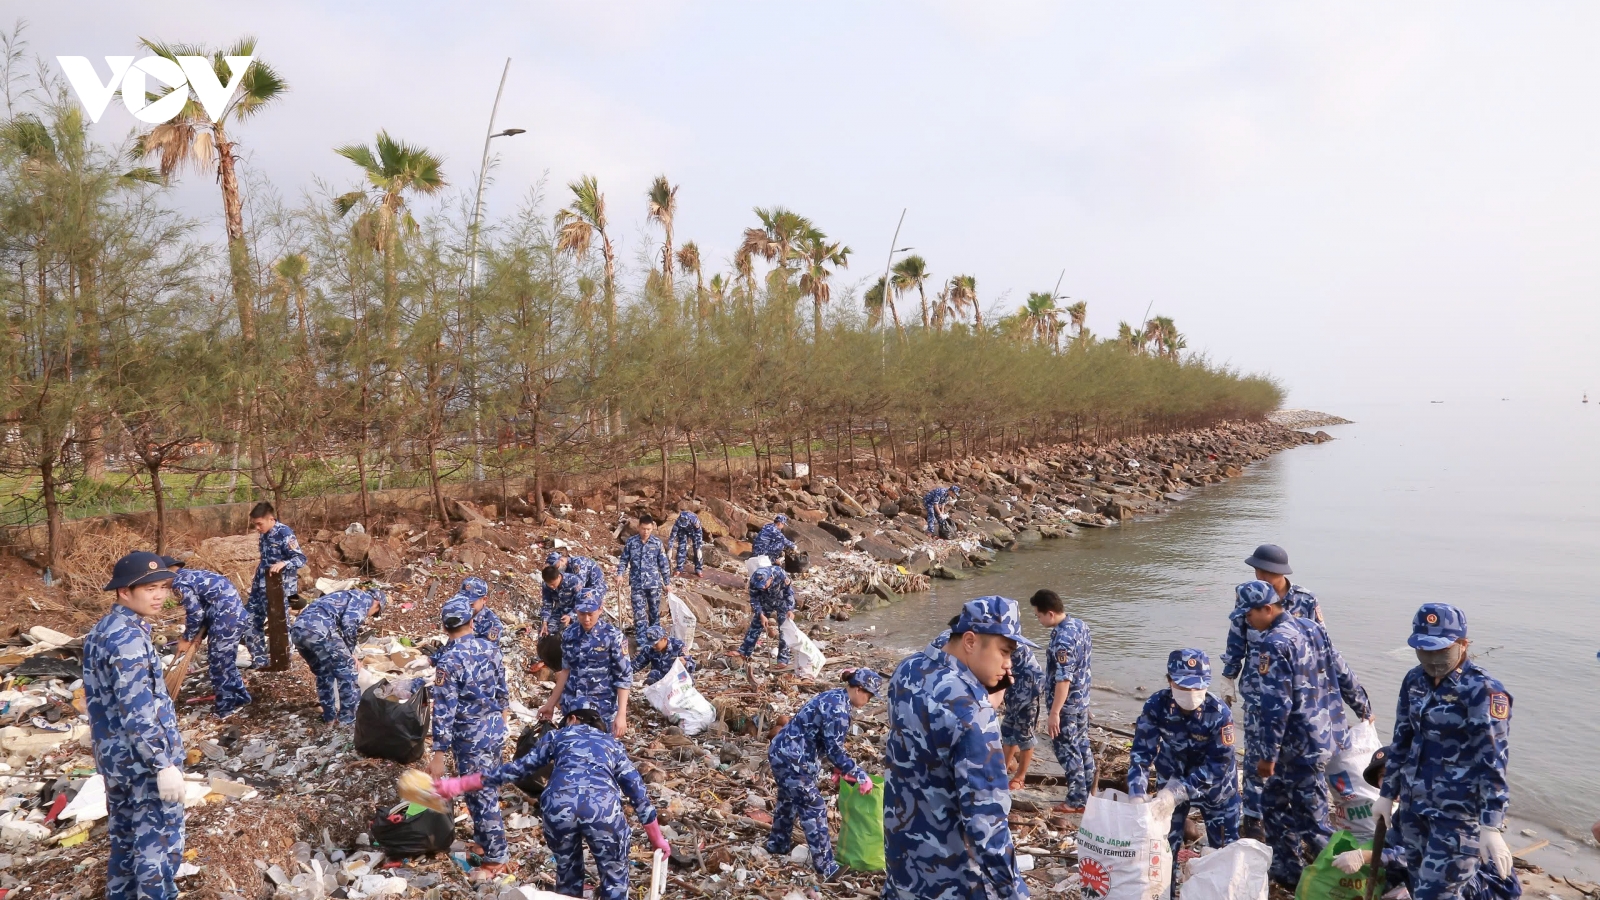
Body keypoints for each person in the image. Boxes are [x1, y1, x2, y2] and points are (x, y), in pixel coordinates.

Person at [1355, 603, 1518, 900]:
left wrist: (1491, 826)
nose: (1432, 660)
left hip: (1456, 817)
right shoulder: (1414, 680)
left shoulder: (1483, 691)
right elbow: (1401, 740)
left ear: (1463, 644)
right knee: (1419, 888)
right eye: (1424, 650)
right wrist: (1387, 793)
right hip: (1414, 809)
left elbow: (1493, 763)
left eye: (1440, 651)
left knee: (1435, 894)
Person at [434, 700, 670, 900]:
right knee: (614, 875)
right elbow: (637, 792)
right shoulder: (612, 745)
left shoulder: (558, 736)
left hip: (559, 807)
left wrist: (462, 783)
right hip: (603, 809)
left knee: (567, 874)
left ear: (573, 719)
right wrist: (657, 839)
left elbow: (518, 769)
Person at [884, 595, 1034, 900]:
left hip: (903, 858)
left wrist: (984, 697)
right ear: (969, 641)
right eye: (1004, 652)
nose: (1009, 665)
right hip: (951, 876)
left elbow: (943, 643)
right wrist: (1015, 892)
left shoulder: (908, 670)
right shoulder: (972, 715)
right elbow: (986, 825)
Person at [1236, 579, 1370, 887]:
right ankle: (1287, 870)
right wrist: (1362, 705)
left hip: (1298, 747)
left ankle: (1344, 882)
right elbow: (1341, 667)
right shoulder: (1312, 628)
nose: (1247, 622)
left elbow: (1275, 706)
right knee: (1273, 803)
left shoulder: (1274, 644)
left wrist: (1267, 757)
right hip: (1326, 737)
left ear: (1267, 609)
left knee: (1314, 822)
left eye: (1249, 615)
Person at [85, 551, 187, 900]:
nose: (159, 596)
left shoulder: (105, 629)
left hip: (116, 760)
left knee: (125, 845)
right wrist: (163, 763)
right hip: (142, 764)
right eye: (149, 589)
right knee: (155, 849)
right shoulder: (127, 638)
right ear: (124, 592)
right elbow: (138, 711)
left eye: (163, 587)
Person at [1127, 649, 1241, 870]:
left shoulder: (1219, 713)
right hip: (1171, 775)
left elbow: (1218, 764)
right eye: (1183, 686)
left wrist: (1177, 793)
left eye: (1197, 686)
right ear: (1169, 680)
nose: (1191, 692)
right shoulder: (1156, 705)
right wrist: (1137, 794)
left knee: (1226, 854)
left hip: (1216, 789)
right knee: (1161, 850)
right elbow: (1142, 753)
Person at [766, 668, 882, 881]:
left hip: (783, 752)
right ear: (858, 689)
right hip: (793, 760)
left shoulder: (834, 697)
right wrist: (859, 774)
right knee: (814, 807)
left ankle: (777, 844)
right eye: (869, 694)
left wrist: (839, 768)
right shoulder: (838, 709)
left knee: (788, 800)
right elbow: (835, 750)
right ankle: (826, 867)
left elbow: (824, 740)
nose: (869, 699)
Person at [428, 596, 511, 877]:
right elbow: (503, 691)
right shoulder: (491, 649)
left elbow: (444, 710)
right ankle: (486, 843)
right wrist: (500, 721)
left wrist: (438, 754)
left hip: (471, 739)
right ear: (472, 622)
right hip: (493, 732)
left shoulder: (448, 662)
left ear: (445, 628)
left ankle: (497, 857)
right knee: (483, 792)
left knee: (482, 796)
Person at [1220, 543, 1323, 706]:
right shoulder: (1249, 596)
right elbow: (1236, 639)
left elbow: (1319, 645)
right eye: (1257, 571)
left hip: (1295, 690)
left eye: (1266, 572)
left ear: (1280, 572)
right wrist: (1228, 675)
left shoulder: (1305, 600)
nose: (1260, 577)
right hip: (1256, 688)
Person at [163, 557, 251, 718]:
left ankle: (226, 708)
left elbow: (196, 613)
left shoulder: (179, 583)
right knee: (225, 661)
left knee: (219, 664)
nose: (162, 585)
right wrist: (199, 636)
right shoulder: (193, 575)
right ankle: (241, 698)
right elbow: (205, 606)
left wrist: (187, 638)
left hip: (225, 620)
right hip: (233, 616)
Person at [1032, 588, 1094, 813]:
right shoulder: (1080, 625)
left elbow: (1063, 679)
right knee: (1083, 746)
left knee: (1067, 750)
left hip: (1066, 704)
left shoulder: (1062, 641)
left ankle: (1076, 800)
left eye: (1038, 615)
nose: (1038, 620)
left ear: (1050, 613)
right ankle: (1089, 795)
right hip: (1081, 701)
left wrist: (1055, 712)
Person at [539, 593, 633, 737]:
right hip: (573, 706)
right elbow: (565, 671)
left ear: (600, 609)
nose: (587, 619)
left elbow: (623, 678)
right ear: (576, 610)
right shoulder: (569, 634)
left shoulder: (613, 636)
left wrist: (621, 715)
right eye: (582, 614)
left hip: (601, 708)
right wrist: (550, 704)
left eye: (591, 614)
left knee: (599, 752)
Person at [287, 587, 384, 725]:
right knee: (349, 670)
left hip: (298, 632)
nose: (370, 616)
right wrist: (350, 654)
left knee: (324, 673)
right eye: (374, 613)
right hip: (319, 630)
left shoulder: (342, 595)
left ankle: (329, 717)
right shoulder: (363, 600)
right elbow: (349, 624)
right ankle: (348, 721)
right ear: (377, 603)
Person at [243, 501, 306, 669]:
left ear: (271, 519)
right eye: (255, 524)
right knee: (247, 621)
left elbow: (300, 559)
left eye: (259, 524)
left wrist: (284, 563)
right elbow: (265, 562)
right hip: (261, 587)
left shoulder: (284, 533)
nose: (257, 528)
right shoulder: (264, 534)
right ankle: (260, 660)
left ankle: (284, 661)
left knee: (279, 625)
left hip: (281, 589)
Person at [618, 514, 672, 644]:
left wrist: (667, 583)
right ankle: (642, 644)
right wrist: (620, 574)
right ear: (638, 527)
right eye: (643, 529)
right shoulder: (631, 542)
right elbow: (624, 560)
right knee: (639, 614)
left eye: (648, 529)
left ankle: (655, 642)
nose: (645, 532)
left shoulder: (657, 543)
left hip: (654, 584)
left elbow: (663, 564)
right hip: (637, 584)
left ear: (652, 527)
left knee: (654, 613)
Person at [734, 558, 796, 668]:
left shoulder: (780, 573)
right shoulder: (754, 580)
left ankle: (783, 660)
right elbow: (754, 598)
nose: (762, 587)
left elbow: (789, 592)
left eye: (764, 584)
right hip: (765, 601)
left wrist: (790, 609)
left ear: (770, 578)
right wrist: (761, 614)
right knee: (756, 625)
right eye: (760, 586)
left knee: (785, 628)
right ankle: (744, 652)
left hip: (781, 601)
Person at [540, 550, 606, 635]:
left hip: (593, 588)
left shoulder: (576, 572)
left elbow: (582, 598)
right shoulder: (547, 584)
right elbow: (547, 604)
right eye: (549, 585)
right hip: (565, 605)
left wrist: (570, 616)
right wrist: (544, 622)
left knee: (586, 617)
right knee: (551, 631)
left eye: (553, 584)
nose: (552, 587)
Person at [669, 510, 704, 577]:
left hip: (693, 531)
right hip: (682, 532)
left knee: (697, 550)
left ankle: (698, 569)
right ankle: (679, 568)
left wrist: (699, 548)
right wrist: (670, 548)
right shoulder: (678, 522)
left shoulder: (695, 521)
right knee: (681, 547)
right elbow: (672, 535)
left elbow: (699, 534)